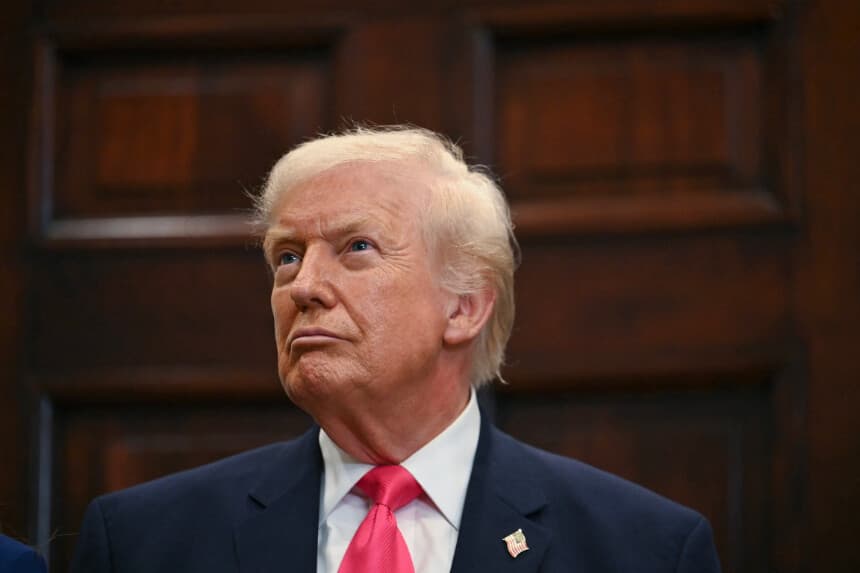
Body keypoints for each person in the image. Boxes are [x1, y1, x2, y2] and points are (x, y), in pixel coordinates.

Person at [71, 126, 721, 572]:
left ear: (463, 305)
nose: (304, 286)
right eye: (287, 256)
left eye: (356, 247)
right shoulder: (144, 541)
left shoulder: (642, 548)